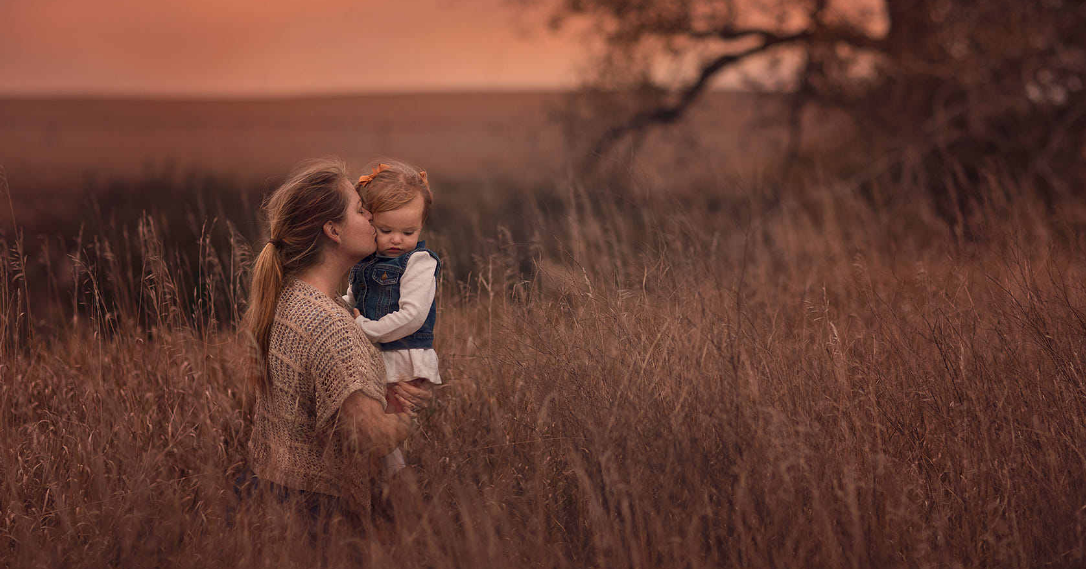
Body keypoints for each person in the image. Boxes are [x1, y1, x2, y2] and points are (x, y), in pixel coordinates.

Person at [240, 158, 432, 522]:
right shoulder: (332, 326)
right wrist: (409, 411)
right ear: (333, 230)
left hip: (270, 496)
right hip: (316, 513)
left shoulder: (290, 298)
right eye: (361, 211)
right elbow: (372, 437)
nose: (373, 219)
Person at [343, 160, 440, 476]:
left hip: (403, 354)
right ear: (368, 221)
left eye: (408, 231)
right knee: (372, 423)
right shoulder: (366, 261)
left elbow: (412, 316)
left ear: (421, 227)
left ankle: (396, 487)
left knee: (386, 430)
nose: (397, 240)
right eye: (385, 231)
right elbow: (354, 298)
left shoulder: (419, 262)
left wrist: (364, 328)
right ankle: (381, 484)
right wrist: (337, 308)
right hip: (381, 352)